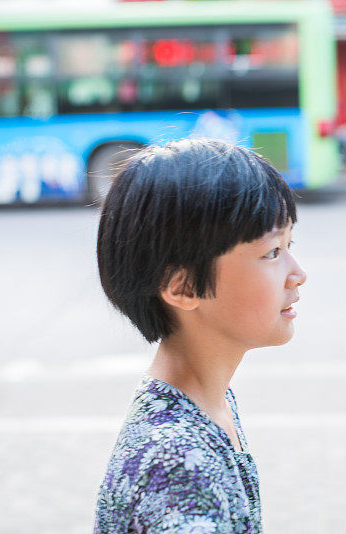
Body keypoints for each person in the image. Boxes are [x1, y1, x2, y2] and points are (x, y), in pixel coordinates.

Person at [93, 138, 306, 533]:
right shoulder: (176, 464)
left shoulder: (210, 401)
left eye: (290, 244)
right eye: (272, 252)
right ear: (184, 287)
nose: (298, 274)